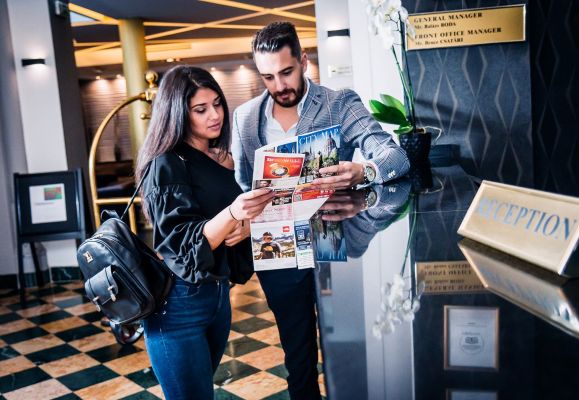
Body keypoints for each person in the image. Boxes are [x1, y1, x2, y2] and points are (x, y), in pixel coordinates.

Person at [231, 22, 410, 399]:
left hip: (336, 249)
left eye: (286, 72)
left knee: (345, 349)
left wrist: (364, 170)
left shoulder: (339, 102)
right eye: (268, 77)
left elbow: (396, 155)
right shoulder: (245, 118)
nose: (279, 86)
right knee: (298, 359)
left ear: (304, 62)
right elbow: (243, 184)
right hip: (277, 253)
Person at [135, 65, 274, 400]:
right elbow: (183, 244)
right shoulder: (166, 164)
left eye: (217, 104)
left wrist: (243, 224)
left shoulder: (216, 157)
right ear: (176, 114)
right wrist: (234, 212)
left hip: (216, 296)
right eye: (200, 109)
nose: (215, 115)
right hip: (178, 304)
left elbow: (221, 225)